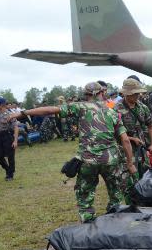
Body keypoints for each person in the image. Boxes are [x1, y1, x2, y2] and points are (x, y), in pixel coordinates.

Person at [10, 82, 136, 222]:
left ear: (86, 94)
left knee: (84, 194)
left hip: (88, 160)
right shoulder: (113, 112)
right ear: (101, 93)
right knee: (115, 192)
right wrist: (130, 163)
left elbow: (50, 110)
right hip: (110, 160)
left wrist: (23, 112)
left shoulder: (79, 107)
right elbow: (125, 140)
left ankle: (89, 224)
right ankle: (115, 219)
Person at [116, 78, 152, 196]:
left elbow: (151, 125)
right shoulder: (116, 110)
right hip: (125, 153)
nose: (138, 95)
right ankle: (132, 208)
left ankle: (146, 205)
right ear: (126, 93)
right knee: (129, 183)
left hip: (142, 151)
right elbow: (114, 133)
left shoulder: (142, 107)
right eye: (135, 93)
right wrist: (132, 139)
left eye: (138, 93)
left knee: (146, 178)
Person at [0, 97, 19, 180]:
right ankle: (7, 169)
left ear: (1, 105)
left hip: (7, 135)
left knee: (10, 156)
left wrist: (15, 141)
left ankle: (10, 174)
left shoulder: (10, 114)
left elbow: (16, 128)